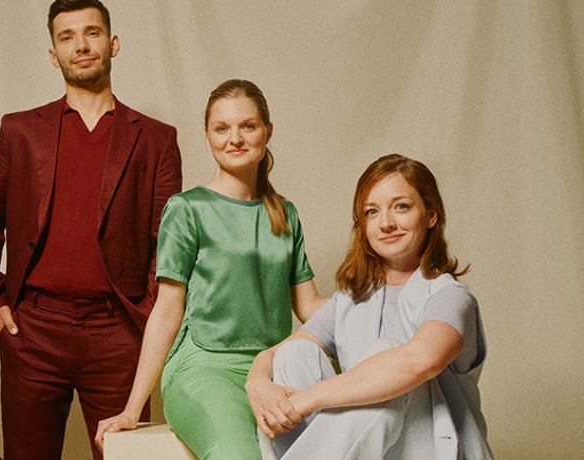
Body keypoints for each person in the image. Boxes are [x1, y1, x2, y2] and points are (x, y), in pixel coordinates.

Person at [0, 1, 182, 458]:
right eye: (67, 37)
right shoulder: (19, 131)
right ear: (53, 54)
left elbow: (166, 243)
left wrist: (144, 318)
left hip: (118, 333)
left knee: (125, 455)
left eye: (92, 33)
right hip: (33, 331)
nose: (80, 45)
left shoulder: (156, 139)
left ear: (113, 43)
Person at [95, 79, 324, 459]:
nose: (235, 138)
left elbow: (310, 307)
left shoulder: (285, 213)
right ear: (207, 135)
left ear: (267, 131)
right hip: (203, 368)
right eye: (222, 128)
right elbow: (167, 310)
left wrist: (381, 303)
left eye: (248, 126)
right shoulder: (187, 210)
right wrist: (132, 409)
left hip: (272, 371)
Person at [246, 154, 492, 460]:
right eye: (372, 212)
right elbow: (272, 356)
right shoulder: (350, 300)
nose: (386, 223)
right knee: (294, 354)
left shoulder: (450, 297)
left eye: (401, 206)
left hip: (429, 452)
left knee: (384, 356)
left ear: (431, 215)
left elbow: (418, 362)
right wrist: (257, 382)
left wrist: (306, 401)